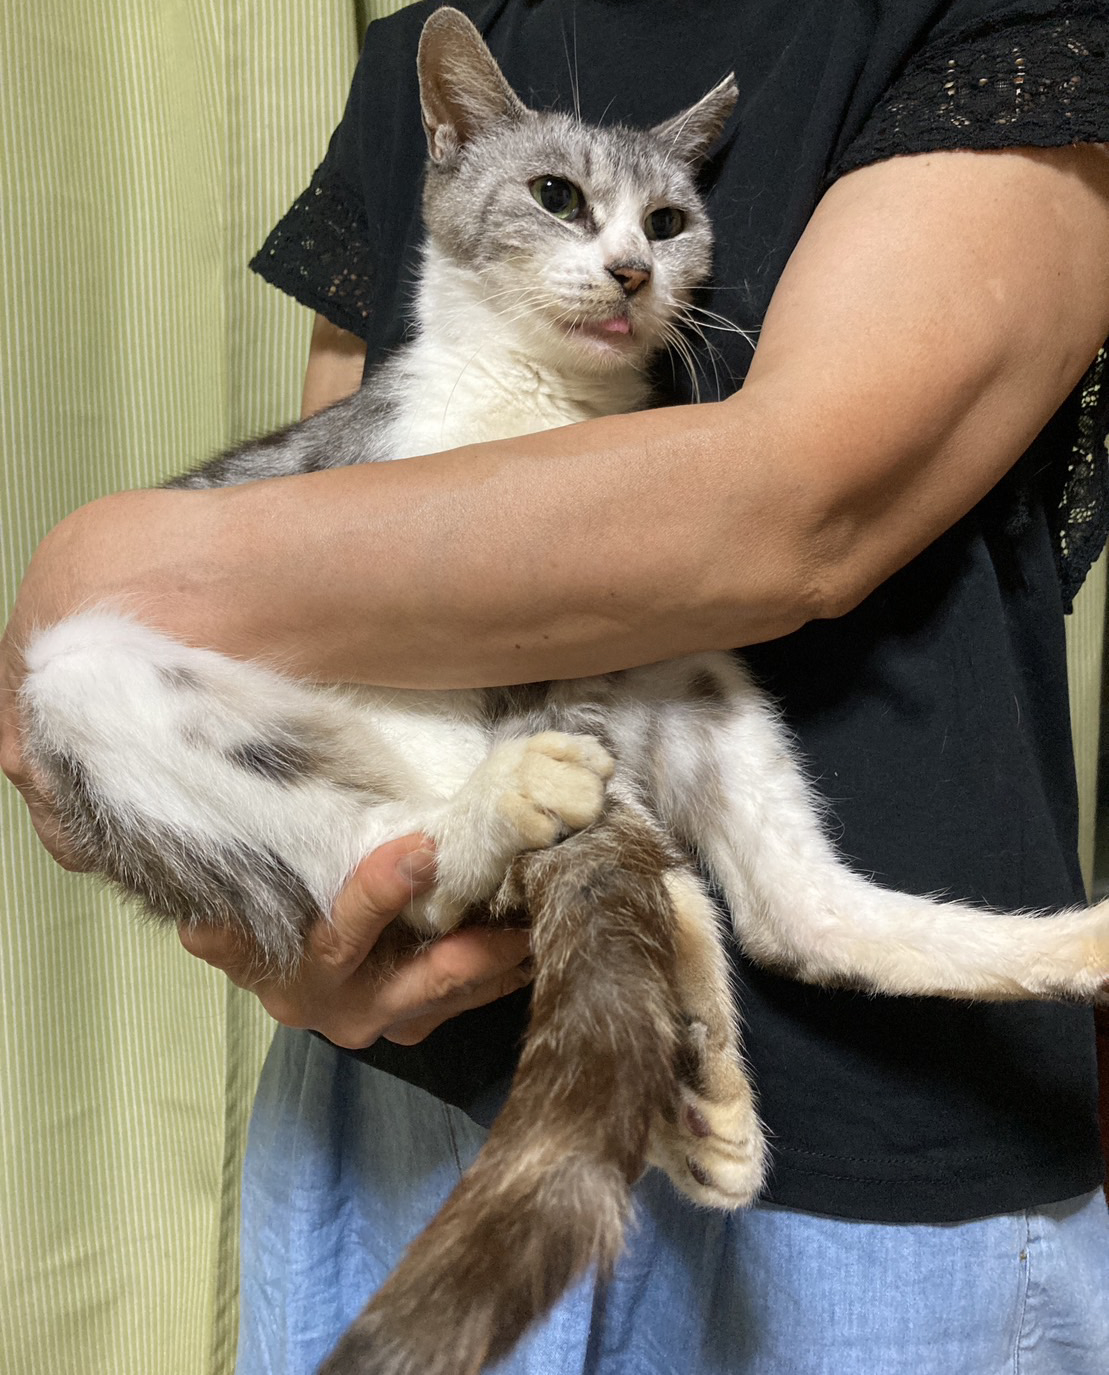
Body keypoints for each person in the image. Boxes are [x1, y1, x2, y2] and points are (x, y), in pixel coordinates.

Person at [3, 0, 1109, 1370]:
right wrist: (313, 953)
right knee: (102, 675)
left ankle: (804, 922)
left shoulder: (998, 21)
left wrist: (98, 557)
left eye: (666, 225)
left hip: (873, 1145)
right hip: (412, 1077)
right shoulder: (422, 52)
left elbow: (788, 519)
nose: (629, 258)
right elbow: (314, 600)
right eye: (568, 205)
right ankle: (605, 900)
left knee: (663, 670)